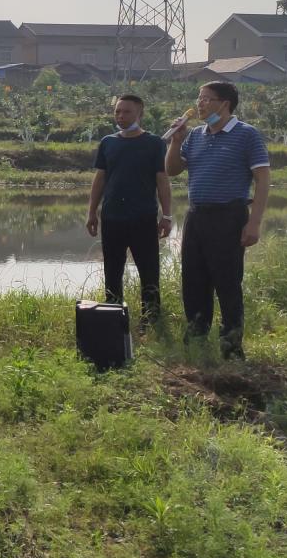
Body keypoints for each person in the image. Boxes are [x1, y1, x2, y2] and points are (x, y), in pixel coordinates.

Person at [165, 81, 271, 359]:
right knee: (193, 280)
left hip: (229, 216)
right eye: (199, 99)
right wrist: (176, 142)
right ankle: (196, 341)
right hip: (197, 216)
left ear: (224, 103)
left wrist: (254, 223)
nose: (199, 104)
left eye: (205, 99)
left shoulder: (246, 134)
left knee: (227, 282)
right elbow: (172, 169)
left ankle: (231, 346)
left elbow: (262, 179)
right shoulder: (197, 135)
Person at [86, 93, 172, 322]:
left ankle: (151, 321)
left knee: (149, 272)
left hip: (143, 218)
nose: (121, 116)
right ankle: (114, 322)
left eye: (127, 112)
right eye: (118, 112)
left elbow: (162, 180)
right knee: (112, 272)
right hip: (112, 217)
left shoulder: (154, 143)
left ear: (139, 114)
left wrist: (168, 216)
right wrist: (92, 212)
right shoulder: (108, 142)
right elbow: (100, 179)